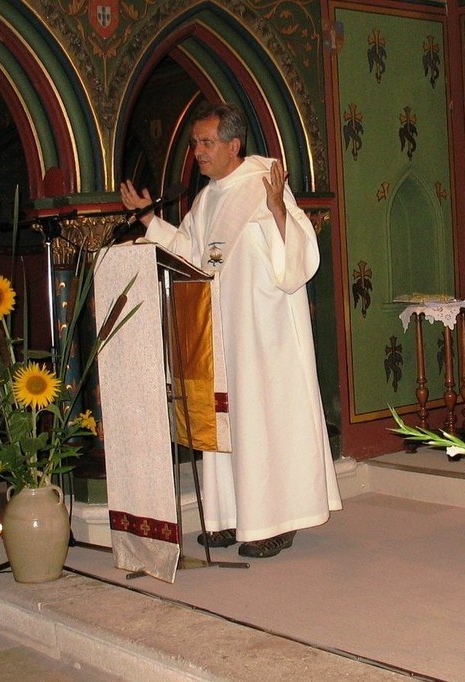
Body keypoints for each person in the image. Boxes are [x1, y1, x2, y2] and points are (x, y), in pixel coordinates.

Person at [120, 103, 342, 558]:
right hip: (221, 330)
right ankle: (230, 516)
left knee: (264, 421)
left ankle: (276, 520)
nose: (197, 152)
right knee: (225, 420)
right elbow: (190, 253)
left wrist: (278, 211)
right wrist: (148, 220)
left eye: (206, 142)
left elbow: (298, 259)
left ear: (233, 144)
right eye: (195, 143)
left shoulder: (265, 182)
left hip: (265, 333)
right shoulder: (207, 198)